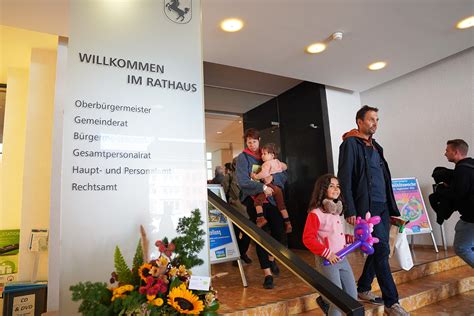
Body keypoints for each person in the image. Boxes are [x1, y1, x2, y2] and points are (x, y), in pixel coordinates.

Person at [338, 105, 409, 315]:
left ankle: (364, 287)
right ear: (360, 121)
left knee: (381, 248)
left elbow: (384, 178)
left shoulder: (377, 146)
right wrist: (349, 208)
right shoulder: (350, 144)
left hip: (383, 205)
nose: (375, 123)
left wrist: (391, 206)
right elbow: (345, 177)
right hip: (366, 207)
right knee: (381, 250)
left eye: (377, 120)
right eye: (371, 119)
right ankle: (391, 302)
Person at [236, 128, 286, 289]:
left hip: (272, 201)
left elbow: (284, 174)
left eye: (254, 141)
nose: (252, 144)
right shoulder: (243, 158)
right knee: (261, 237)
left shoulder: (267, 154)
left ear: (259, 141)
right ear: (246, 142)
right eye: (249, 141)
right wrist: (262, 188)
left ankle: (271, 259)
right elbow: (243, 181)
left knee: (279, 232)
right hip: (254, 202)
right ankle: (267, 274)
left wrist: (273, 178)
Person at [303, 174, 357, 316]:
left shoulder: (335, 212)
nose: (336, 189)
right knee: (337, 302)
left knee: (352, 296)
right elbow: (308, 238)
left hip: (342, 258)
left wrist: (349, 239)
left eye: (338, 186)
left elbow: (335, 235)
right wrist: (327, 253)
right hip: (327, 261)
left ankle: (324, 301)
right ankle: (327, 302)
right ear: (323, 189)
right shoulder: (315, 214)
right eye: (331, 186)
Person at [436, 139, 474, 267]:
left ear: (456, 152)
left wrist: (441, 190)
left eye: (447, 150)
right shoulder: (471, 165)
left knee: (461, 247)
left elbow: (458, 194)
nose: (445, 153)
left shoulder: (462, 170)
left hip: (471, 218)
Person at [250, 143, 292, 233]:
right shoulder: (277, 162)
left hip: (270, 187)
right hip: (278, 189)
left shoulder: (266, 164)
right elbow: (285, 167)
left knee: (257, 201)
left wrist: (255, 176)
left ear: (272, 155)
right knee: (281, 205)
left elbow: (264, 174)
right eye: (262, 154)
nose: (262, 156)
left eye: (265, 154)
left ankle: (261, 218)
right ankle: (288, 222)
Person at [222, 157, 253, 265]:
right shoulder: (228, 177)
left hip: (248, 210)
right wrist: (230, 200)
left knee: (248, 234)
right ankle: (237, 256)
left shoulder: (248, 177)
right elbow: (223, 194)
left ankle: (242, 253)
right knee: (235, 234)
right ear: (234, 166)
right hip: (234, 210)